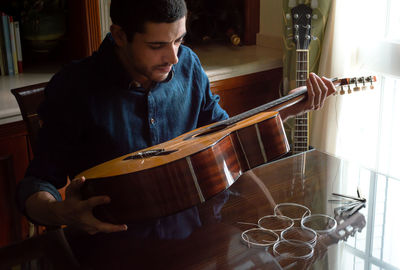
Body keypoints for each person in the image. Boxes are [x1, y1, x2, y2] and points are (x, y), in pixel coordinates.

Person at [16, 0, 336, 235]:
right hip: (114, 246)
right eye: (157, 45)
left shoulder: (189, 65)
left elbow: (225, 133)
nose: (173, 57)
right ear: (119, 35)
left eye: (179, 40)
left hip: (197, 232)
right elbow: (35, 183)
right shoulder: (75, 87)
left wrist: (288, 109)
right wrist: (60, 211)